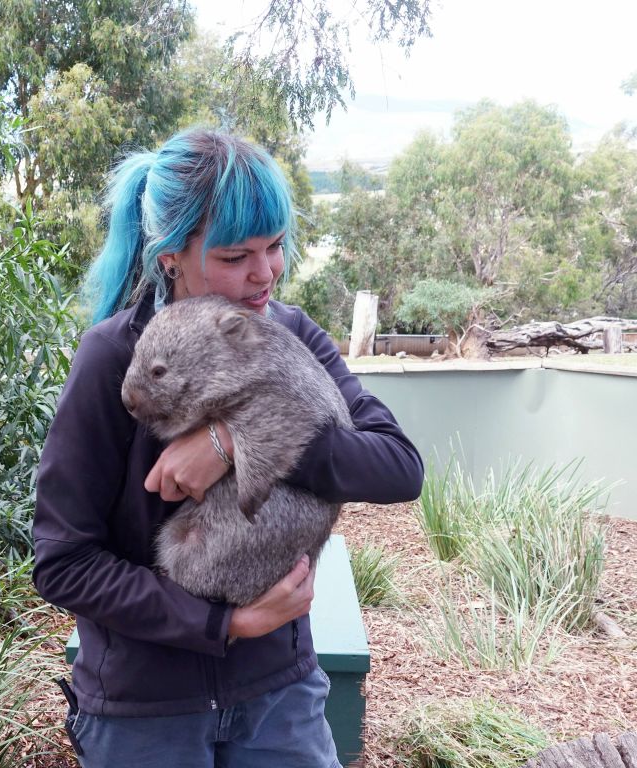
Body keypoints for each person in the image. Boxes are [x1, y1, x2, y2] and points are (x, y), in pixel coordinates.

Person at [32, 129, 423, 767]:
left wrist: (236, 442)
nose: (265, 274)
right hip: (147, 711)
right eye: (237, 255)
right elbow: (63, 562)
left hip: (279, 695)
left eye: (274, 248)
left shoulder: (290, 333)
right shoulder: (113, 358)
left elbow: (398, 467)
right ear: (170, 256)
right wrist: (222, 626)